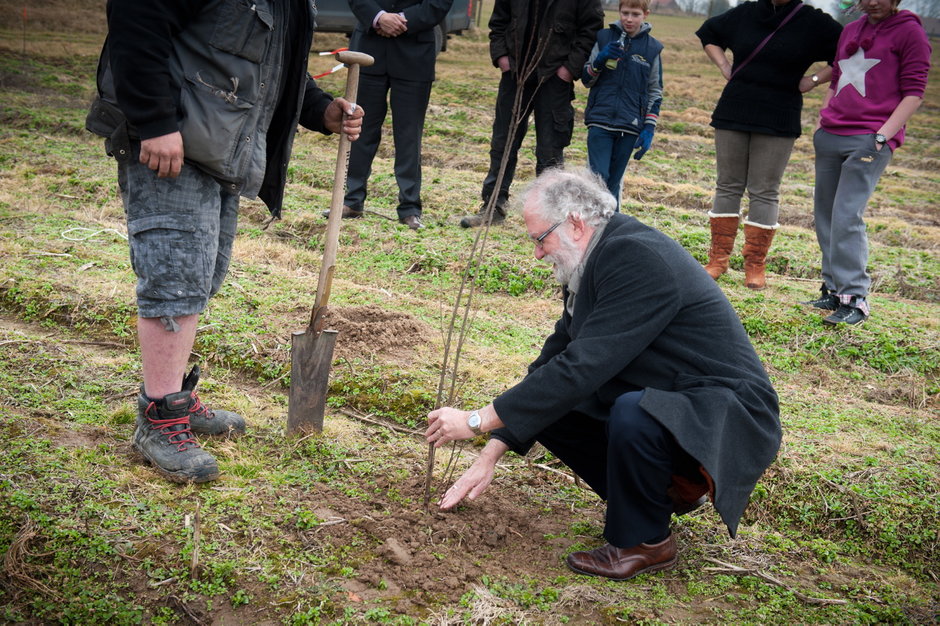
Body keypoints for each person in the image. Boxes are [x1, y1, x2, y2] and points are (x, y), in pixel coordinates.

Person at [427, 168, 781, 581]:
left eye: (540, 239)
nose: (538, 253)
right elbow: (558, 357)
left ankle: (646, 541)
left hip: (723, 412)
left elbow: (584, 367)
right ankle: (652, 498)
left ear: (575, 223)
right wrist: (493, 448)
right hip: (677, 397)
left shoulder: (635, 257)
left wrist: (475, 421)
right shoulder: (592, 259)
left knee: (634, 412)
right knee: (554, 404)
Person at [85, 0, 364, 483]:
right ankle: (159, 417)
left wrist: (322, 111)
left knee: (202, 276)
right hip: (173, 142)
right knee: (174, 279)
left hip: (220, 145)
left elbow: (276, 66)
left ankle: (174, 394)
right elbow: (138, 22)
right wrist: (154, 121)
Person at [696, 0, 842, 289]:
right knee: (727, 185)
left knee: (764, 190)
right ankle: (718, 261)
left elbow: (847, 53)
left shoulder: (813, 21)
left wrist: (813, 80)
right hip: (734, 108)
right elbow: (708, 33)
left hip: (780, 114)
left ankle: (755, 265)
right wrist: (725, 65)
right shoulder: (746, 12)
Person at [806, 0, 931, 326]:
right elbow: (837, 77)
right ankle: (833, 290)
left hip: (869, 138)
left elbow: (915, 91)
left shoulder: (910, 32)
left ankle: (855, 300)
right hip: (832, 134)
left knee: (846, 216)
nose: (873, 1)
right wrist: (822, 120)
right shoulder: (851, 29)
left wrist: (883, 136)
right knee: (825, 214)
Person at [459, 0, 604, 228]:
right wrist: (502, 58)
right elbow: (499, 22)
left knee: (550, 150)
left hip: (555, 78)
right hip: (515, 74)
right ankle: (492, 206)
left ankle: (549, 218)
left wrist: (568, 70)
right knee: (503, 142)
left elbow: (591, 31)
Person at [333, 0, 455, 231]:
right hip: (368, 49)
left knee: (409, 135)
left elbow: (439, 3)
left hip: (415, 54)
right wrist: (378, 17)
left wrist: (401, 20)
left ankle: (409, 207)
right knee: (359, 128)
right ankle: (351, 200)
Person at [582, 0, 663, 210]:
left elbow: (655, 91)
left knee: (613, 183)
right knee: (598, 179)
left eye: (635, 14)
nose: (629, 19)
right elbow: (586, 79)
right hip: (600, 121)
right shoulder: (603, 37)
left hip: (630, 125)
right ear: (619, 12)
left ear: (645, 14)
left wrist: (649, 127)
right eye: (625, 13)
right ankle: (591, 229)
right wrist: (599, 61)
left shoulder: (653, 48)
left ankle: (613, 230)